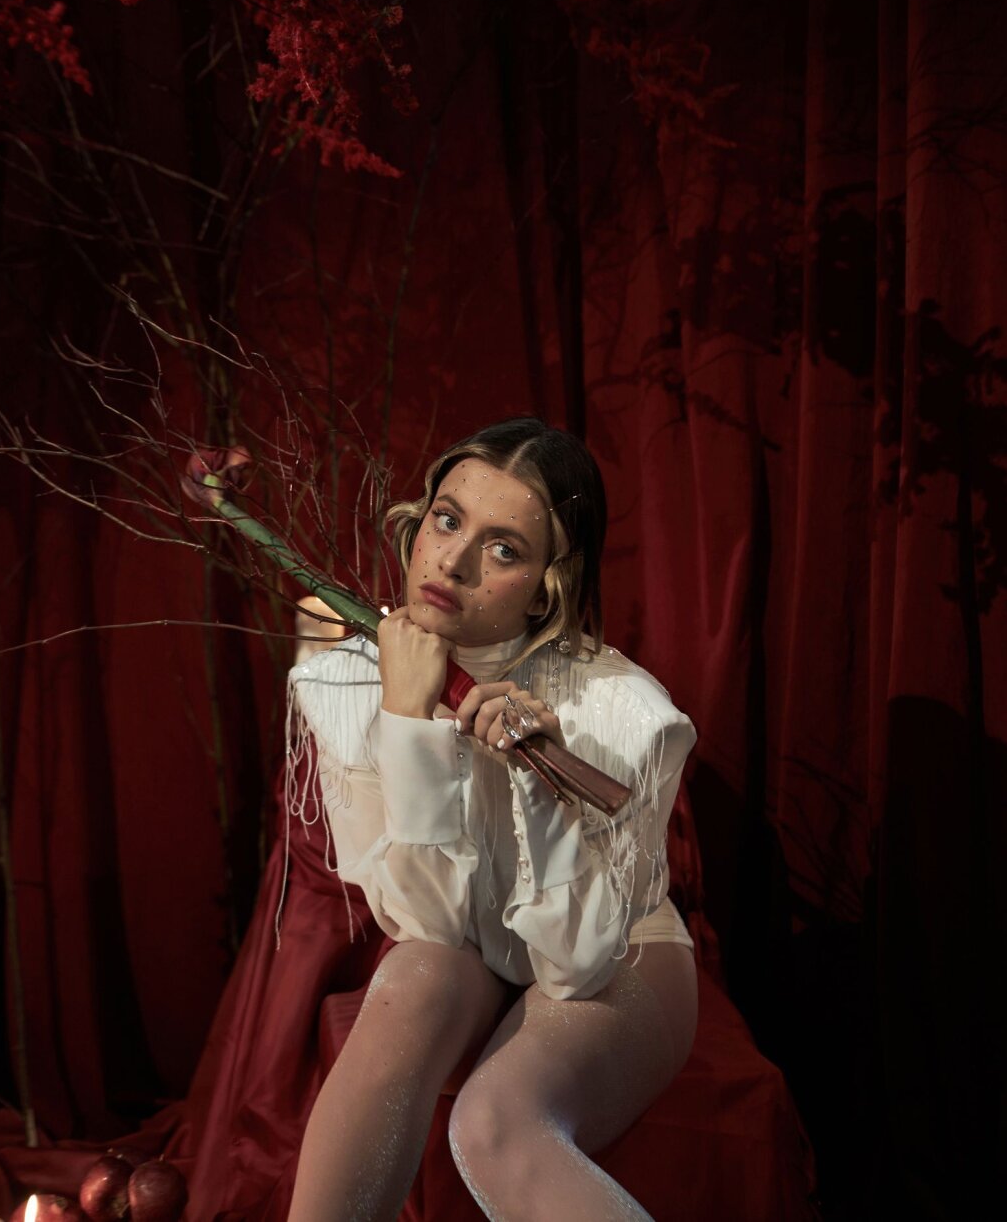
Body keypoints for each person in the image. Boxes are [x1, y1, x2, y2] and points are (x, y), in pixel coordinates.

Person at [285, 417, 698, 1222]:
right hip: (467, 947)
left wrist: (538, 791)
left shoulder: (622, 712)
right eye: (446, 519)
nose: (451, 560)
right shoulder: (342, 686)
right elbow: (428, 926)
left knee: (493, 1121)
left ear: (546, 585)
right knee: (409, 979)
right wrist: (407, 721)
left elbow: (576, 962)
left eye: (503, 548)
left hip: (616, 951)